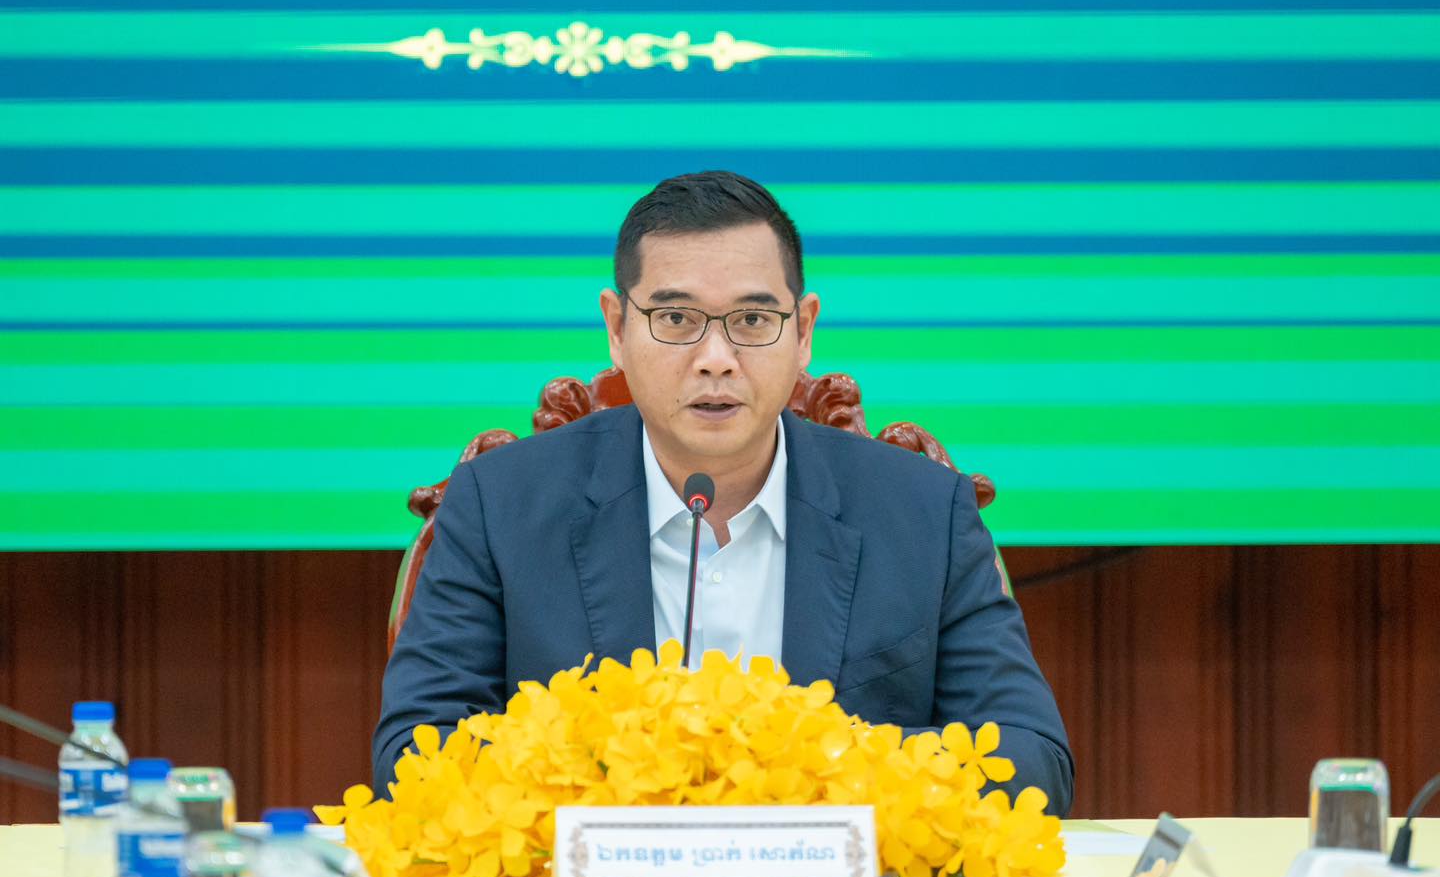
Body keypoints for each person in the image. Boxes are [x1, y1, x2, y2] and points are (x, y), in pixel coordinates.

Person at [374, 171, 1074, 813]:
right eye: (676, 319)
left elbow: (1030, 760)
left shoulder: (922, 511)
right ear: (617, 329)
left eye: (753, 320)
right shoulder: (501, 504)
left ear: (803, 331)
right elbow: (415, 757)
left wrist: (792, 769)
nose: (716, 360)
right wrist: (640, 779)